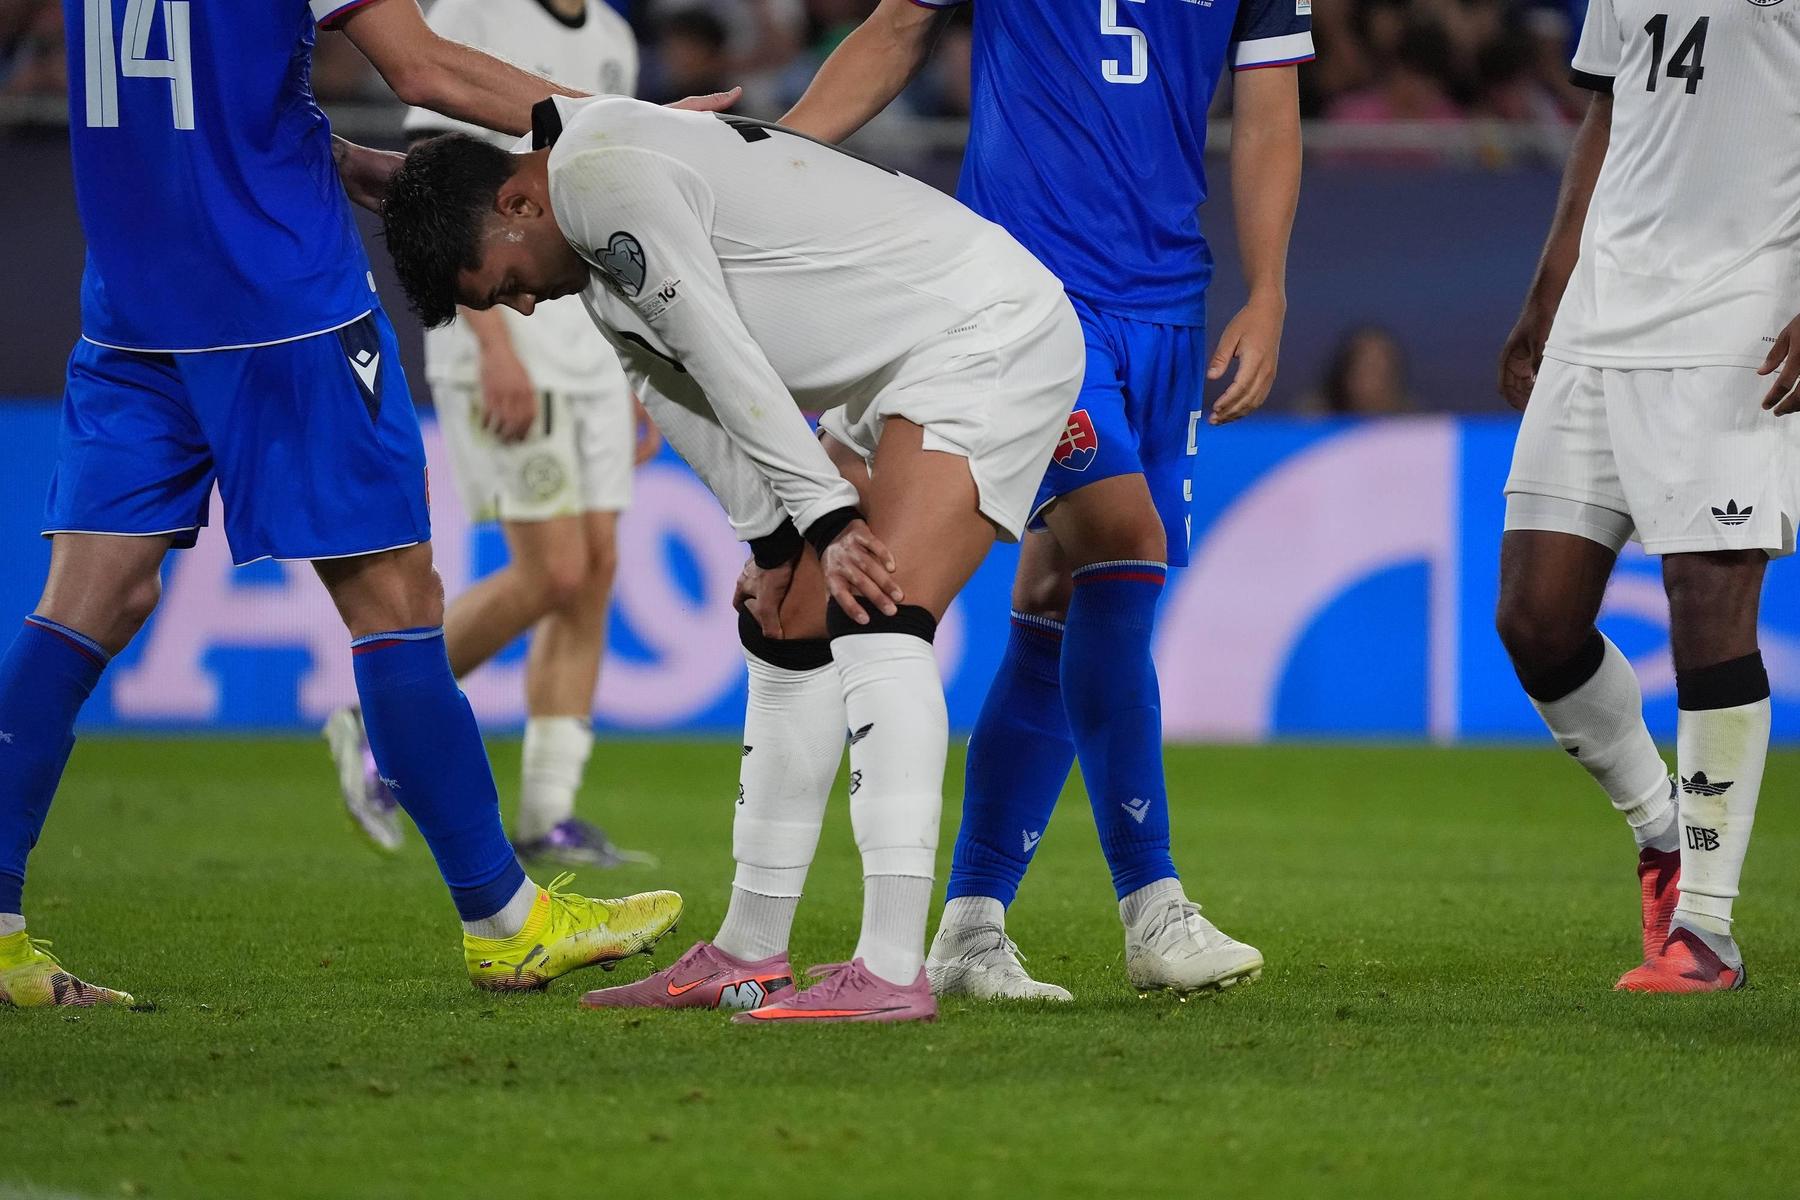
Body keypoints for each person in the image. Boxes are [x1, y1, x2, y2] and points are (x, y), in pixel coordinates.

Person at [0, 0, 723, 1009]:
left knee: (87, 601)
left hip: (134, 298)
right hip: (281, 300)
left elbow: (185, 103)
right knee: (396, 599)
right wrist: (638, 125)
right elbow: (425, 70)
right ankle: (506, 925)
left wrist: (333, 156)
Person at [379, 93, 1085, 1023]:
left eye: (501, 279)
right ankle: (749, 952)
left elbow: (718, 346)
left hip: (980, 331)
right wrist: (776, 538)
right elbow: (672, 387)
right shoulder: (586, 254)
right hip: (890, 366)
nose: (516, 300)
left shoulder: (595, 178)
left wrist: (827, 521)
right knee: (785, 613)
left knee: (878, 603)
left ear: (519, 203)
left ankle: (890, 969)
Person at [777, 0, 1310, 998]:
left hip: (1169, 302)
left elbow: (1270, 107)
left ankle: (972, 927)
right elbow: (898, 26)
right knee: (1125, 542)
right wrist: (768, 154)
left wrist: (1270, 288)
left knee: (1063, 595)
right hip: (1028, 292)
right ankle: (1154, 907)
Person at [1495, 0, 1800, 992]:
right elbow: (1609, 108)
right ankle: (1662, 827)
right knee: (1536, 618)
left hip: (1741, 302)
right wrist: (1551, 285)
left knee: (1708, 599)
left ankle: (1705, 931)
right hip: (1602, 306)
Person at [324, 0, 659, 870]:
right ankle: (376, 720)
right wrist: (492, 345)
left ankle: (548, 814)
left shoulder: (616, 40)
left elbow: (602, 209)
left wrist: (634, 371)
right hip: (506, 333)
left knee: (593, 574)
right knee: (551, 570)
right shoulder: (478, 12)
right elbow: (433, 189)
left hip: (588, 346)